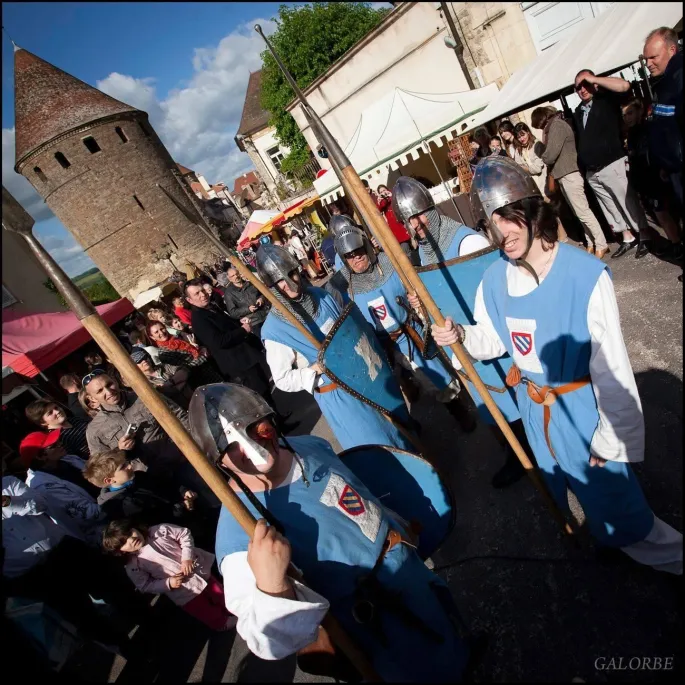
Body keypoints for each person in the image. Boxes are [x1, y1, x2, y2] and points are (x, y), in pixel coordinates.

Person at [431, 156, 683, 575]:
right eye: (492, 221)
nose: (501, 231)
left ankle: (673, 559)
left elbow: (612, 368)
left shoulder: (582, 275)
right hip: (534, 409)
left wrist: (611, 437)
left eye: (509, 217)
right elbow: (492, 341)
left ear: (532, 211)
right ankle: (604, 539)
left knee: (616, 502)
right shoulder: (495, 278)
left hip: (580, 409)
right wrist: (460, 336)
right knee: (562, 487)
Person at [187, 383, 471, 680]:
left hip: (410, 571)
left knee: (450, 635)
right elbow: (265, 640)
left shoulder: (307, 445)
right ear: (218, 459)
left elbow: (357, 493)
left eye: (254, 427)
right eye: (231, 445)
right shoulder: (240, 535)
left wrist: (396, 524)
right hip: (380, 625)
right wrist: (272, 587)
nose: (252, 447)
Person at [391, 175, 532, 489]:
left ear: (432, 207)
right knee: (489, 408)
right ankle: (515, 455)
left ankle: (533, 455)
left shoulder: (469, 243)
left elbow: (499, 293)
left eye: (419, 214)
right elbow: (439, 303)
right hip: (461, 344)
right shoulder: (423, 255)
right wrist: (421, 304)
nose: (416, 224)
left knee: (515, 400)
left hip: (489, 336)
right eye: (408, 220)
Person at [256, 244, 414, 451]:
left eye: (291, 274)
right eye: (279, 282)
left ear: (298, 269)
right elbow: (282, 379)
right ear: (270, 288)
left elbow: (352, 329)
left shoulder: (321, 296)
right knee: (378, 446)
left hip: (365, 374)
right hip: (340, 396)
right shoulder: (275, 330)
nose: (289, 284)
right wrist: (313, 371)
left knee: (401, 427)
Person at [333, 219, 477, 434]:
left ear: (367, 247)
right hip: (381, 347)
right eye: (349, 256)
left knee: (438, 378)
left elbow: (416, 286)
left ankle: (459, 412)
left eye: (359, 251)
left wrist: (416, 298)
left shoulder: (390, 263)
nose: (355, 258)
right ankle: (413, 429)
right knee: (393, 392)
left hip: (409, 334)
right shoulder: (345, 286)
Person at [2, 476, 141, 652]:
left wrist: (7, 501)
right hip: (29, 574)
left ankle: (151, 622)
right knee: (80, 615)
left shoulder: (8, 483)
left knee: (114, 586)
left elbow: (40, 504)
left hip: (63, 550)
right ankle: (129, 650)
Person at [573, 69, 656, 259]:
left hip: (612, 162)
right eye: (578, 87)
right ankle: (627, 237)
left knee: (627, 202)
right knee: (610, 207)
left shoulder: (605, 100)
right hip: (593, 170)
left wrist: (593, 79)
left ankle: (644, 235)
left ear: (594, 83)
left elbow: (625, 86)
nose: (582, 89)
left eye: (585, 84)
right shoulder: (578, 112)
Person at [103, 520, 236, 632]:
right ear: (120, 551)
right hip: (182, 591)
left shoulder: (159, 531)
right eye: (124, 542)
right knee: (203, 609)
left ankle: (235, 608)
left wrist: (187, 558)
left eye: (130, 533)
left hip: (199, 572)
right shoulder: (134, 564)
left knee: (219, 593)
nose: (132, 540)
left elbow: (184, 534)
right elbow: (144, 585)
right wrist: (167, 583)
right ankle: (221, 623)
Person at [532, 105, 609, 258]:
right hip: (565, 174)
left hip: (569, 174)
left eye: (539, 125)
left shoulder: (556, 126)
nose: (540, 128)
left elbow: (550, 155)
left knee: (583, 212)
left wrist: (543, 155)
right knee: (579, 212)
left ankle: (601, 243)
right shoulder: (555, 126)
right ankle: (591, 242)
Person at [185, 279, 275, 408]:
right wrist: (242, 330)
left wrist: (240, 324)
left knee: (264, 389)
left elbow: (226, 325)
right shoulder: (199, 319)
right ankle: (274, 425)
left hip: (245, 356)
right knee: (258, 397)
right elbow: (218, 341)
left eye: (203, 290)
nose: (203, 294)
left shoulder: (211, 307)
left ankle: (279, 420)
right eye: (197, 293)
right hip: (237, 363)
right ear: (190, 300)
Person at [83, 370, 188, 474]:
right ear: (92, 398)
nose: (109, 392)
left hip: (181, 460)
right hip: (149, 479)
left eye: (109, 384)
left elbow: (180, 417)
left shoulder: (145, 396)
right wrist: (120, 451)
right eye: (100, 391)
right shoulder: (94, 430)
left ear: (115, 381)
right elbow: (101, 468)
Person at [19, 432, 105, 547]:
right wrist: (116, 491)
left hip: (112, 503)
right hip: (101, 532)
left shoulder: (67, 459)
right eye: (53, 445)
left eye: (58, 441)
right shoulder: (43, 488)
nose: (60, 444)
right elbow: (89, 515)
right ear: (40, 456)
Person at [622, 98, 681, 258]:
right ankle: (675, 242)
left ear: (640, 111)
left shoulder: (648, 129)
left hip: (657, 178)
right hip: (645, 181)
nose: (627, 117)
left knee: (665, 213)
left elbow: (656, 153)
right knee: (659, 214)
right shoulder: (632, 133)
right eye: (624, 115)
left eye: (630, 113)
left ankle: (677, 244)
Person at [643, 27, 683, 216]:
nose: (648, 64)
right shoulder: (665, 82)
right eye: (646, 59)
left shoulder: (679, 77)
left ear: (672, 50)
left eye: (653, 57)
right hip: (674, 168)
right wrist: (664, 163)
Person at [24, 398, 90, 460]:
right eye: (50, 413)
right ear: (43, 422)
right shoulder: (58, 439)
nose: (57, 411)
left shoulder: (73, 420)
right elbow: (75, 459)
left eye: (56, 407)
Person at [223, 267, 270, 340]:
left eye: (237, 274)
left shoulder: (250, 282)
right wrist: (248, 309)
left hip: (267, 314)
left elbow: (264, 292)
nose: (236, 276)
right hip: (254, 322)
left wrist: (262, 298)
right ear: (229, 278)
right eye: (233, 276)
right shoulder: (229, 293)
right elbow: (233, 312)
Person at [375, 184, 413, 258]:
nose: (384, 192)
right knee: (403, 250)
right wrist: (380, 200)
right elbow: (380, 208)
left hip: (402, 225)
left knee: (407, 248)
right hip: (394, 229)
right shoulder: (382, 201)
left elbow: (399, 201)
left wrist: (391, 195)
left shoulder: (393, 194)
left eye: (384, 190)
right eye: (381, 192)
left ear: (387, 189)